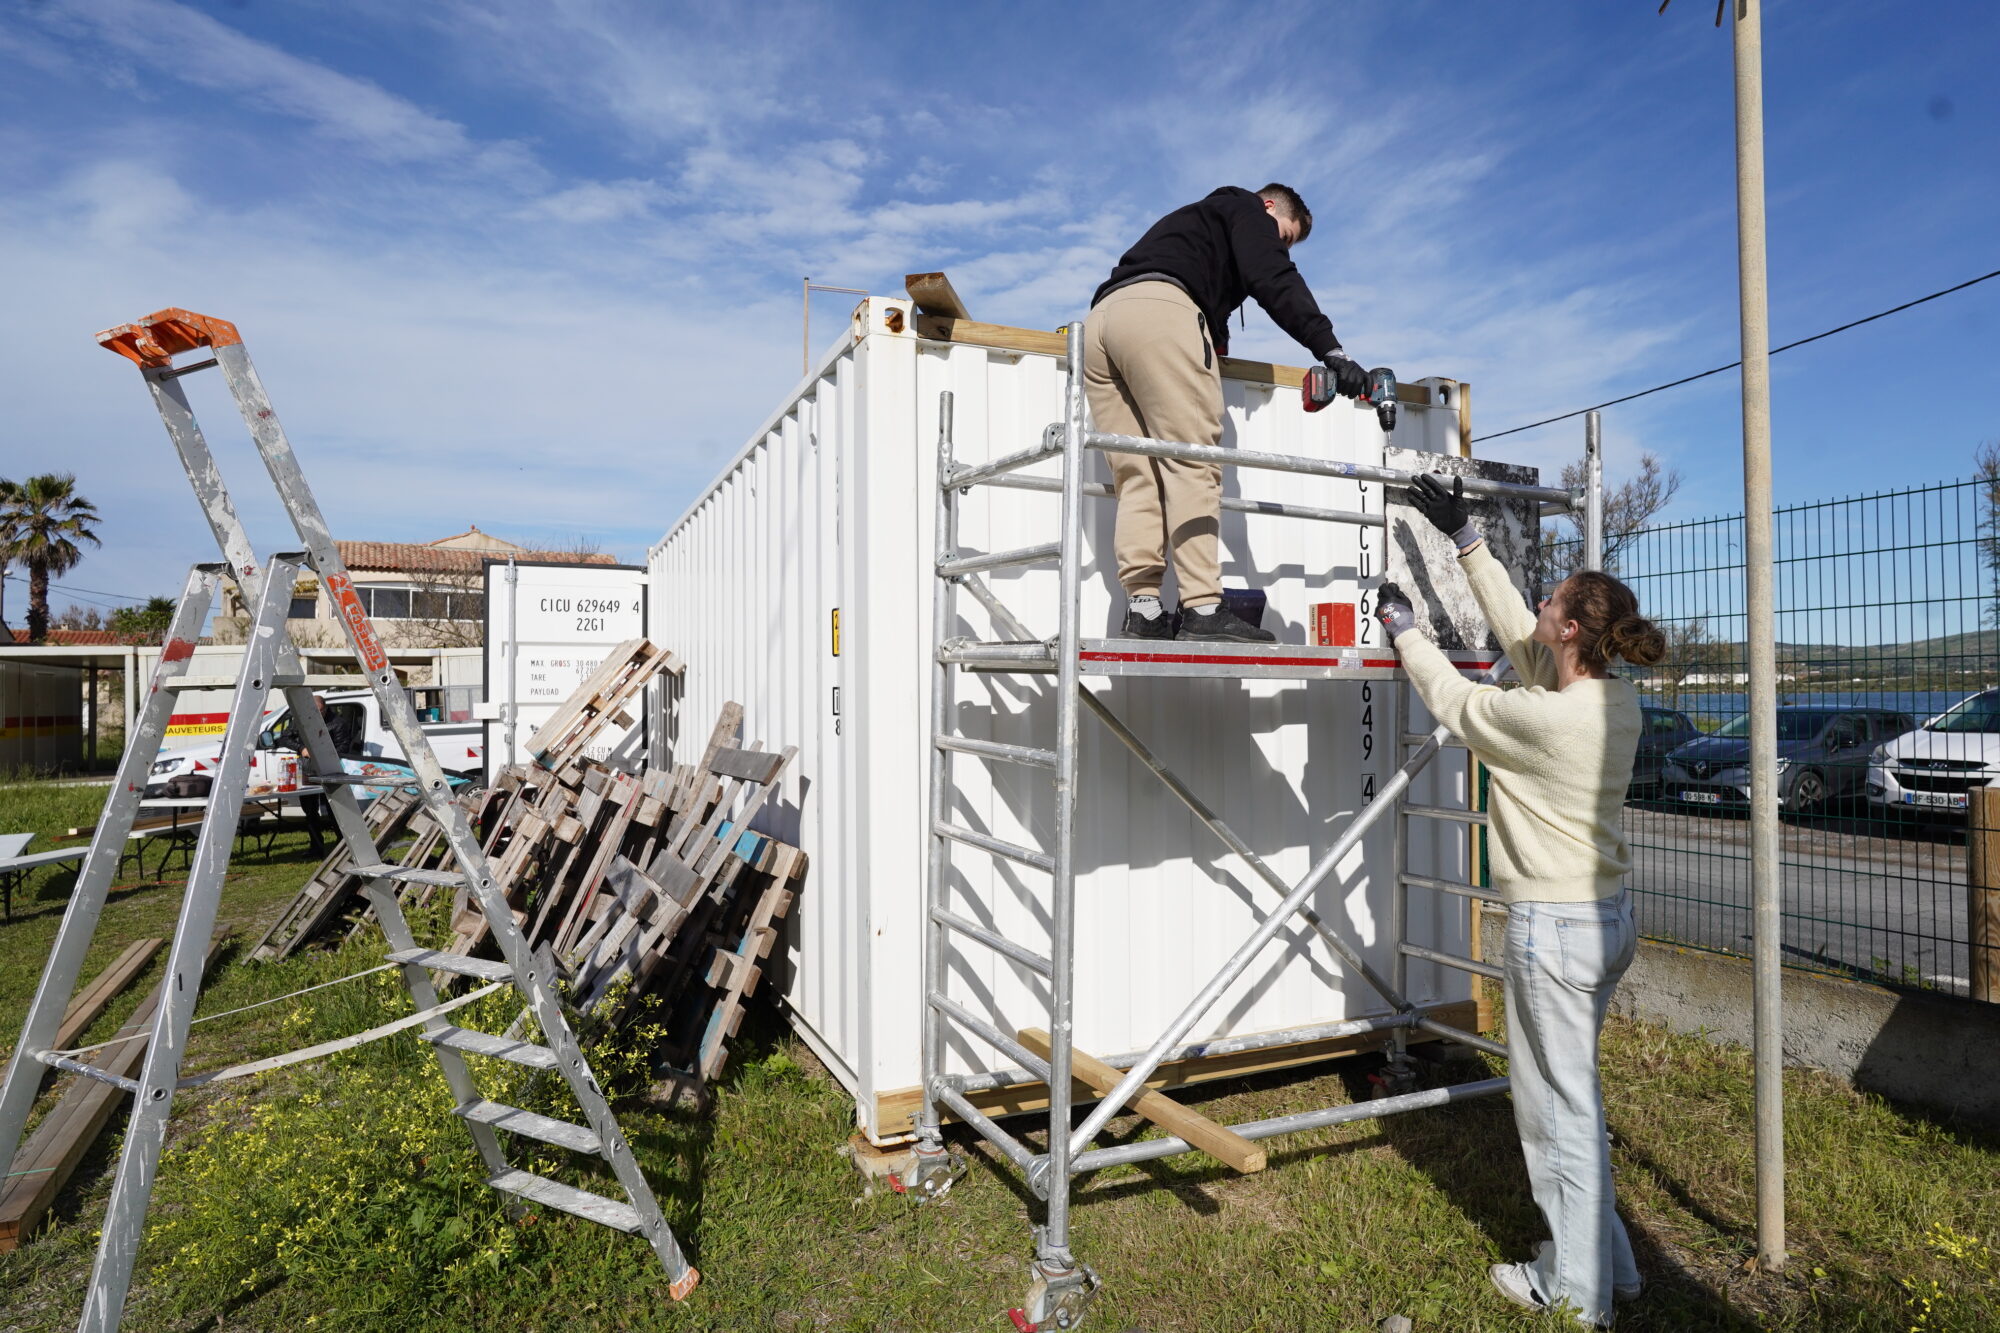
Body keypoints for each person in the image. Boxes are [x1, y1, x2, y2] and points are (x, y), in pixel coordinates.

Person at [1374, 473, 1667, 1330]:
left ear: (1573, 630)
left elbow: (1461, 701)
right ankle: (1611, 1267)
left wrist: (1405, 632)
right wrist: (1467, 540)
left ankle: (1573, 1295)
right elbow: (1516, 629)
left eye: (1554, 599)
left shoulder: (1547, 720)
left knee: (1551, 1115)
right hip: (1606, 921)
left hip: (1556, 931)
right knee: (1580, 1100)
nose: (1540, 600)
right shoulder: (1609, 700)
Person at [1087, 183, 1370, 643]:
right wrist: (1332, 351)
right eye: (1285, 237)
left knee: (1137, 475)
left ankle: (1143, 609)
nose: (1282, 246)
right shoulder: (1246, 208)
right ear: (1269, 207)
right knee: (1192, 463)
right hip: (1159, 313)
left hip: (1101, 321)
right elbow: (1273, 278)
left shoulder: (1196, 227)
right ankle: (1202, 608)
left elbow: (1219, 303)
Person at [282, 695, 363, 855]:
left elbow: (343, 748)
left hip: (330, 770)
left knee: (336, 811)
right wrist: (300, 748)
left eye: (319, 711)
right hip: (307, 771)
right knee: (310, 812)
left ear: (325, 708)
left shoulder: (338, 723)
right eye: (312, 712)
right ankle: (316, 847)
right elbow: (285, 738)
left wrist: (322, 754)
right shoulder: (302, 720)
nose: (316, 716)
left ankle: (344, 846)